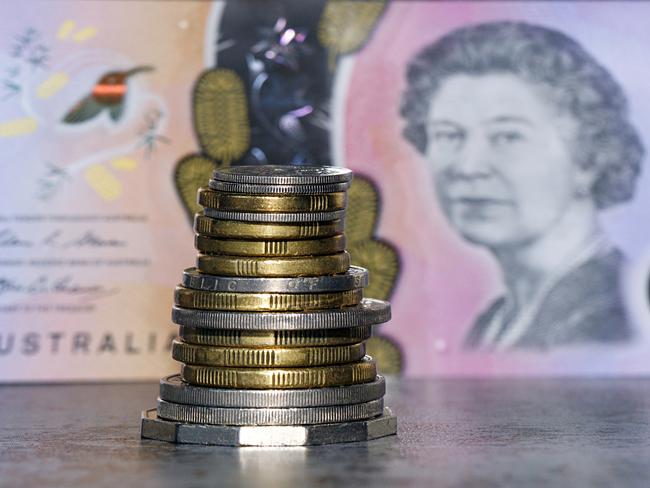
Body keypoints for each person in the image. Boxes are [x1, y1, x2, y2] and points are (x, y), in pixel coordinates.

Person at [400, 21, 644, 351]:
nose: (468, 168)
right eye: (449, 135)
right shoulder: (494, 323)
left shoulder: (614, 318)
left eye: (508, 137)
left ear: (588, 158)